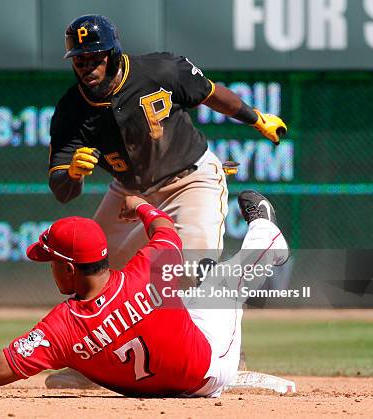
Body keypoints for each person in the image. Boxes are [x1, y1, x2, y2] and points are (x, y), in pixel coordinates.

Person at [46, 13, 287, 387]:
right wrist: (73, 173)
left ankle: (226, 359)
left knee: (192, 270)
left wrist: (255, 119)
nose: (89, 66)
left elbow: (210, 93)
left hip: (190, 180)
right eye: (81, 59)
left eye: (96, 57)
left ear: (113, 52)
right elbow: (61, 188)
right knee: (90, 273)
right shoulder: (71, 110)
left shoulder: (159, 69)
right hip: (128, 193)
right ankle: (98, 364)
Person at [0, 190, 289, 398]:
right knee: (219, 284)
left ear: (67, 267)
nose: (49, 269)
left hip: (196, 372)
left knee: (219, 286)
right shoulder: (148, 268)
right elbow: (165, 228)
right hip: (199, 369)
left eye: (50, 261)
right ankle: (256, 239)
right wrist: (141, 206)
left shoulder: (61, 327)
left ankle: (269, 239)